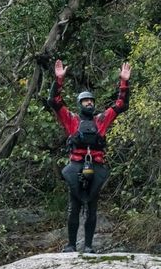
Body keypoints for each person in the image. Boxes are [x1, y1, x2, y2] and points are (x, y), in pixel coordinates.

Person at [48, 58, 131, 253]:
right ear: (79, 104)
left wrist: (124, 82)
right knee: (74, 207)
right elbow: (55, 102)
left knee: (92, 208)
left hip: (96, 166)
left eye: (91, 101)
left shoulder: (101, 120)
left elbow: (121, 105)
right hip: (76, 165)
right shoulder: (72, 120)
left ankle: (88, 246)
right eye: (85, 101)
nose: (89, 103)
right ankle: (70, 245)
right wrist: (58, 80)